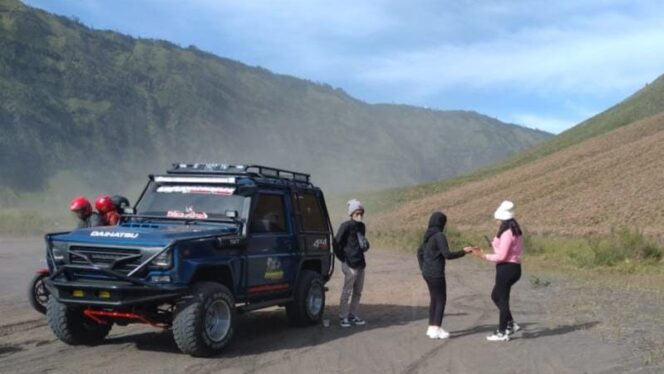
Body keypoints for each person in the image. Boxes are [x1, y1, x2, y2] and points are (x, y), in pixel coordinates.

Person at [471, 200, 524, 342]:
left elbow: (502, 256)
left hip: (506, 268)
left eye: (498, 218)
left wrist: (483, 256)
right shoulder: (515, 230)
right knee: (496, 296)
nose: (496, 220)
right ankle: (510, 324)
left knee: (502, 299)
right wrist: (490, 247)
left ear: (503, 219)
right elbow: (502, 251)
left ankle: (502, 332)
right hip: (513, 268)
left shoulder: (507, 233)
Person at [417, 212, 473, 339]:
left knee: (434, 299)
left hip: (427, 273)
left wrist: (423, 267)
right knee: (441, 299)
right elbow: (447, 254)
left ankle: (431, 327)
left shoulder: (428, 236)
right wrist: (463, 251)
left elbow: (419, 252)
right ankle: (437, 328)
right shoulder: (439, 236)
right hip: (436, 273)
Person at [335, 199, 370, 328]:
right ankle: (343, 317)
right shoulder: (346, 226)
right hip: (349, 264)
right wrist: (343, 258)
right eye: (357, 212)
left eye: (361, 212)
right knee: (347, 291)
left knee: (358, 292)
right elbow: (336, 243)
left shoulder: (362, 226)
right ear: (352, 213)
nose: (360, 215)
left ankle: (352, 315)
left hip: (361, 264)